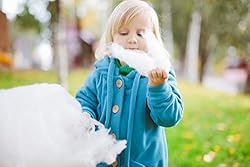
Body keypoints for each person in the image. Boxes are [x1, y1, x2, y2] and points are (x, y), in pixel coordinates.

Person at [75, 0, 184, 166]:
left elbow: (169, 118)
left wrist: (158, 87)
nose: (132, 39)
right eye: (124, 33)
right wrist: (86, 114)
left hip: (143, 162)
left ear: (154, 40)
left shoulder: (159, 72)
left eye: (141, 34)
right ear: (112, 38)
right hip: (103, 160)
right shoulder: (100, 71)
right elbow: (86, 99)